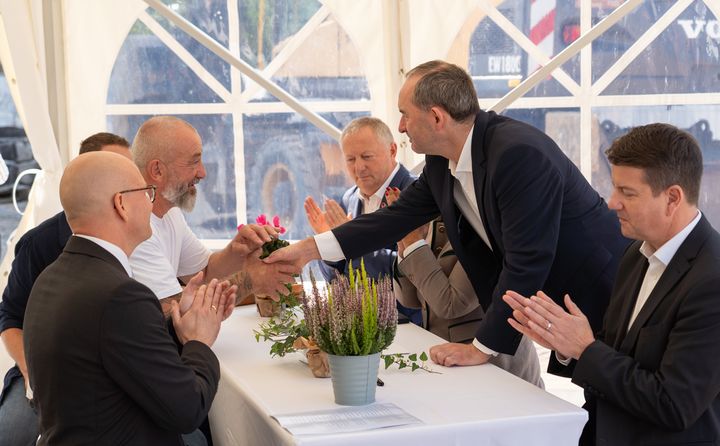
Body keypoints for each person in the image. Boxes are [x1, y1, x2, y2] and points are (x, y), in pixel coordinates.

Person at [266, 60, 628, 370]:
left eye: (405, 114)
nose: (402, 126)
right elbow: (394, 219)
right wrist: (308, 250)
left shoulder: (517, 154)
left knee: (619, 416)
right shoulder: (442, 163)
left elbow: (527, 261)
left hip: (605, 291)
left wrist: (480, 348)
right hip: (556, 304)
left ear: (437, 117)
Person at [503, 123, 720, 446]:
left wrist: (586, 349)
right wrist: (565, 344)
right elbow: (619, 355)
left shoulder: (712, 279)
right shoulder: (636, 255)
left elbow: (674, 404)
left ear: (672, 198)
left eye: (627, 192)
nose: (611, 202)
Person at [23, 151, 248, 446]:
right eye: (147, 192)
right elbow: (187, 410)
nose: (152, 203)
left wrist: (176, 326)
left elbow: (111, 354)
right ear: (122, 205)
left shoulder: (53, 277)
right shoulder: (119, 295)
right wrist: (199, 341)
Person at [0, 133, 133, 446]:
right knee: (7, 444)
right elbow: (10, 317)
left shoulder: (141, 235)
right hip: (45, 369)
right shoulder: (40, 243)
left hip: (116, 371)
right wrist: (34, 373)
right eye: (116, 173)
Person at [129, 115, 295, 311]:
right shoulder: (136, 228)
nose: (202, 172)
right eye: (194, 162)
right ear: (157, 170)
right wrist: (250, 280)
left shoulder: (170, 214)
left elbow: (203, 272)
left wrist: (235, 250)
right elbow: (173, 312)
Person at [386, 190, 543, 387]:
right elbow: (410, 299)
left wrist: (412, 242)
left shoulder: (484, 227)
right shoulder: (437, 221)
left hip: (497, 374)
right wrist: (405, 244)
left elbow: (451, 304)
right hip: (447, 364)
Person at [304, 116, 420, 323]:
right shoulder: (348, 198)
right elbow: (337, 281)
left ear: (392, 151)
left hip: (410, 324)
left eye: (367, 156)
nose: (359, 167)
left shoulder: (417, 195)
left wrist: (350, 242)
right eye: (351, 159)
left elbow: (413, 269)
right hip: (361, 323)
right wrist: (330, 247)